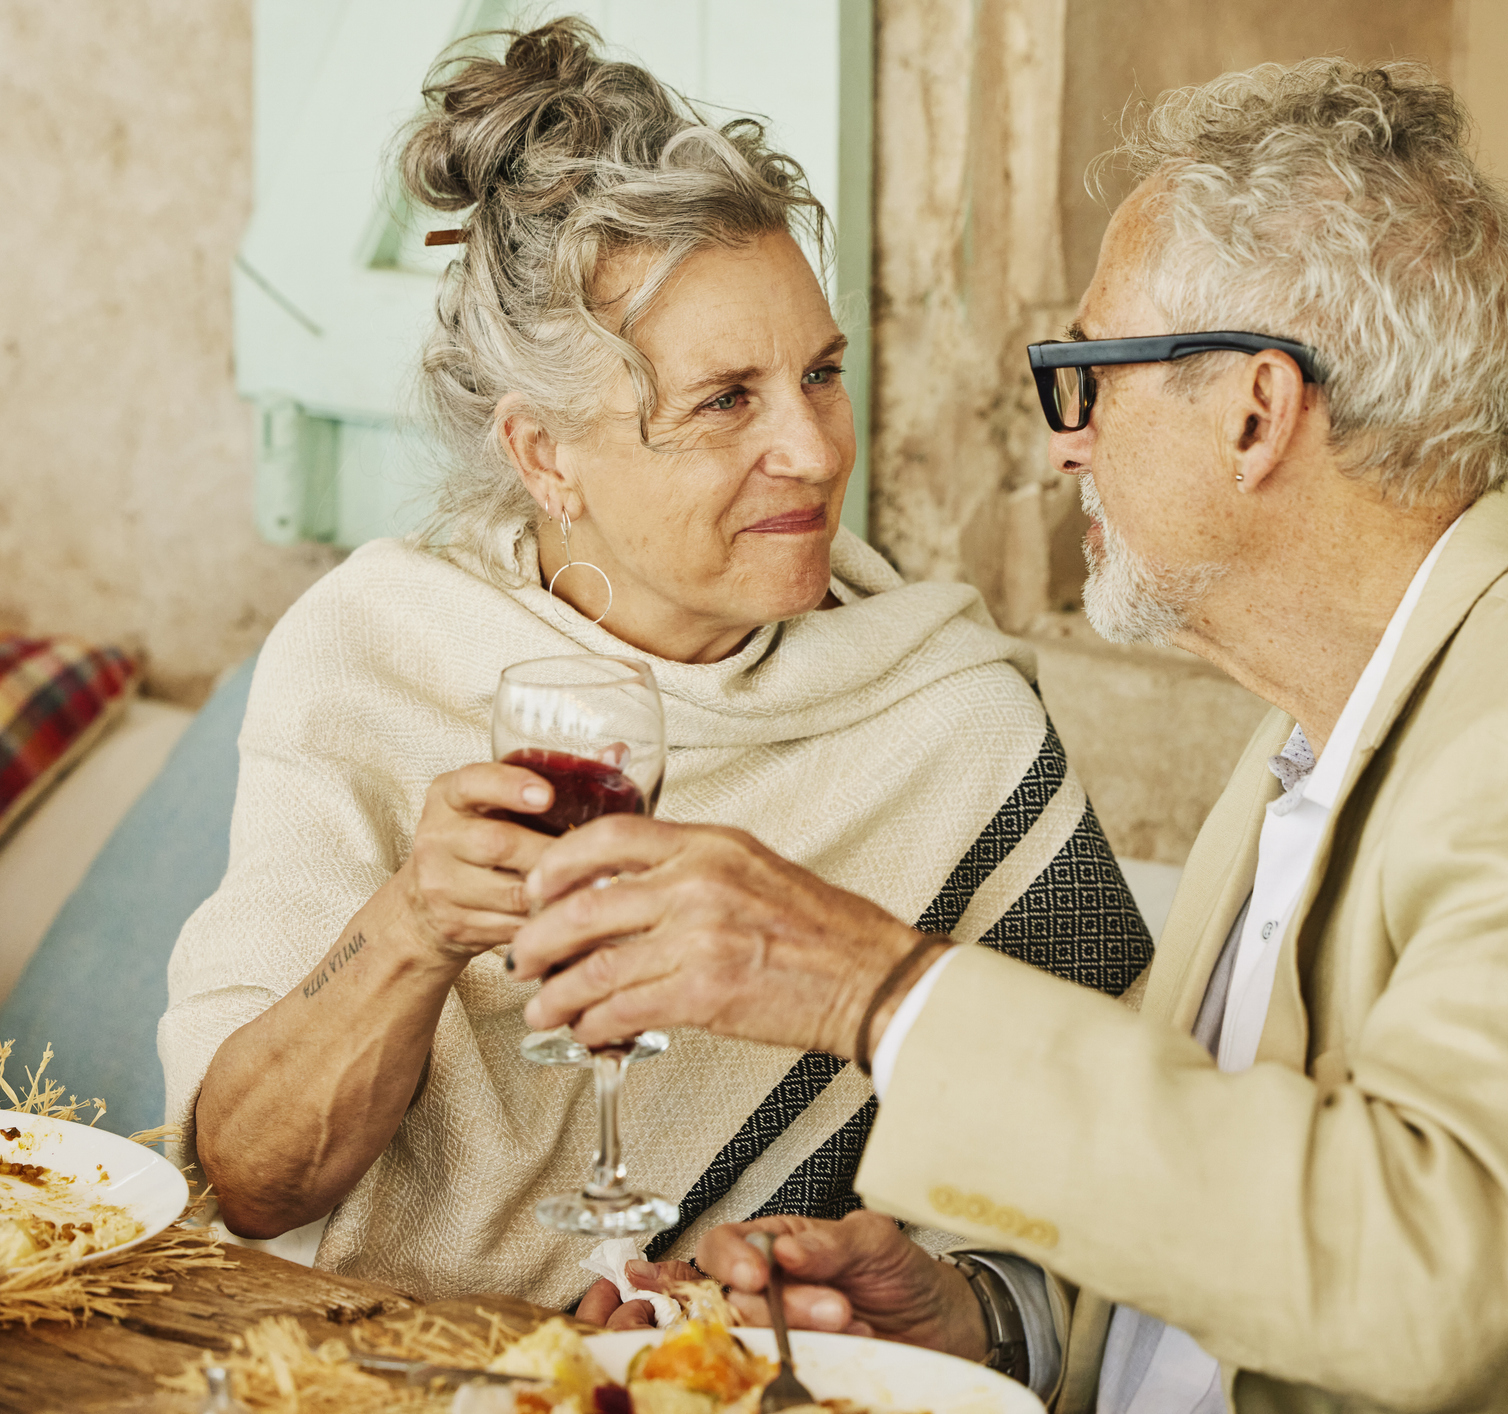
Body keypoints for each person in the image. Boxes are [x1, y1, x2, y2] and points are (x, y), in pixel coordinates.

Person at [503, 59, 1508, 1411]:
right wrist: (985, 1315)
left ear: (1257, 411)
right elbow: (1232, 1212)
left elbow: (1409, 1274)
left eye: (1086, 374)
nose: (1064, 447)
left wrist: (876, 986)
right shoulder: (1323, 725)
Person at [158, 18, 1149, 1312]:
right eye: (726, 399)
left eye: (822, 373)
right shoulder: (374, 653)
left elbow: (1106, 1210)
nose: (812, 447)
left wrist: (940, 1299)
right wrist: (415, 925)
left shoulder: (951, 720)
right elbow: (247, 1178)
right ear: (544, 453)